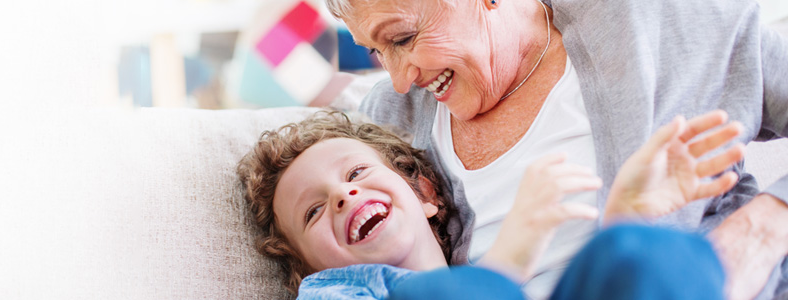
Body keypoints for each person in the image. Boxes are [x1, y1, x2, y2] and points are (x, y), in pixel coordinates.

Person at [323, 0, 788, 298]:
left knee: (637, 258)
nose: (401, 80)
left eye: (403, 38)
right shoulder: (389, 117)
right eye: (377, 53)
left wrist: (763, 229)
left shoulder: (654, 20)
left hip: (665, 284)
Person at [237, 111, 742, 299]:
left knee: (639, 253)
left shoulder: (480, 273)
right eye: (313, 212)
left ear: (425, 195)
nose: (344, 195)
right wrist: (511, 261)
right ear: (308, 271)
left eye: (356, 173)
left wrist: (625, 218)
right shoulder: (335, 293)